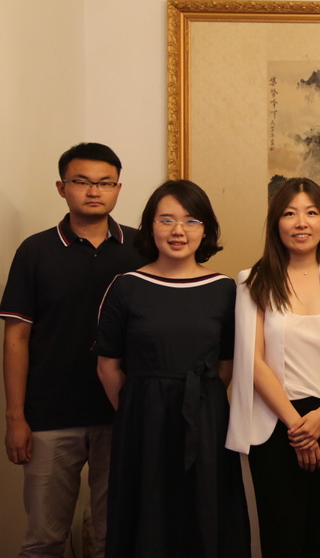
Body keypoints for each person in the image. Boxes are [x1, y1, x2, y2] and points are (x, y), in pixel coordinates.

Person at [2, 142, 143, 558]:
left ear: (119, 189)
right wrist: (15, 417)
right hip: (50, 415)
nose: (94, 191)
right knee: (44, 539)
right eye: (82, 181)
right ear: (62, 187)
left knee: (112, 537)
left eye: (105, 183)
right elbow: (16, 338)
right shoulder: (35, 251)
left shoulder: (142, 249)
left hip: (121, 413)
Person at [95, 180, 249, 557]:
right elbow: (108, 366)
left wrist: (197, 405)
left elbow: (226, 366)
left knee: (204, 513)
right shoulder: (127, 286)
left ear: (205, 230)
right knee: (147, 518)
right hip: (142, 422)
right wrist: (139, 410)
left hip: (207, 420)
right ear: (150, 226)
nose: (178, 230)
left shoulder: (225, 289)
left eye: (191, 221)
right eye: (167, 220)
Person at [227, 177, 320, 558]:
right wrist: (297, 427)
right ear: (276, 222)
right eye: (290, 214)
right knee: (283, 538)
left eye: (311, 213)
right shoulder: (253, 280)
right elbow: (252, 360)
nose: (301, 223)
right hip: (277, 427)